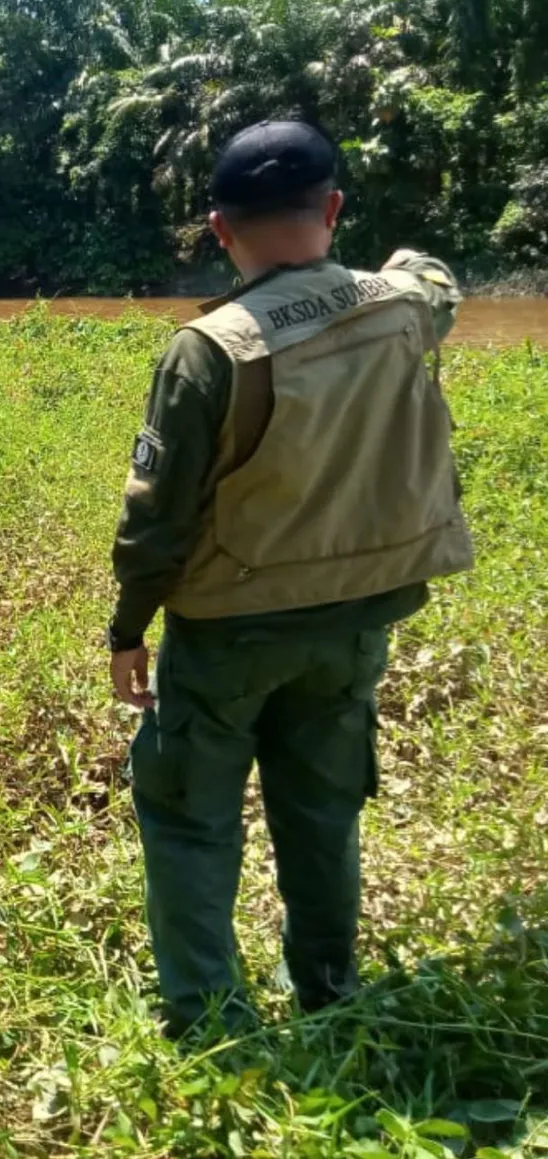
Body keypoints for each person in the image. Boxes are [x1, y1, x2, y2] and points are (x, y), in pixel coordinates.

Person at [106, 120, 474, 1038]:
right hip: (357, 620)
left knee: (189, 814)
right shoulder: (402, 304)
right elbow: (437, 279)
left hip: (230, 625)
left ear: (221, 229)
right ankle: (328, 989)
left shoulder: (212, 347)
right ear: (334, 207)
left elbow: (159, 515)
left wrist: (127, 627)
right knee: (321, 807)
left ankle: (208, 1019)